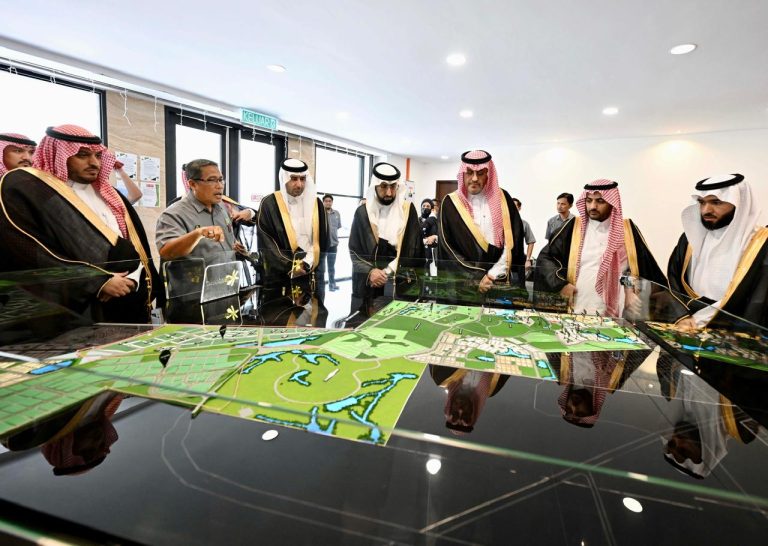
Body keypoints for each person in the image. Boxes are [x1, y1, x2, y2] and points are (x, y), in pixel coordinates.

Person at [0, 124, 160, 323]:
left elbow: (135, 244)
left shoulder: (111, 195)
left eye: (98, 156)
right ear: (59, 154)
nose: (94, 163)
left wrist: (134, 278)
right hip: (74, 307)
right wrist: (96, 282)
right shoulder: (38, 194)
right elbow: (31, 249)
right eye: (82, 155)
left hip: (128, 294)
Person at [535, 180, 666, 318]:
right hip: (579, 303)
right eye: (589, 201)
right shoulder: (574, 227)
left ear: (612, 202)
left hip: (616, 307)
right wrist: (561, 284)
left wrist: (629, 291)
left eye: (600, 201)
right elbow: (546, 258)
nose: (593, 206)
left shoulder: (626, 231)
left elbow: (629, 271)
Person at [667, 174, 767, 330]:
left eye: (716, 202)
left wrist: (699, 319)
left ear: (739, 203)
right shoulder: (690, 239)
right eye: (702, 202)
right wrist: (682, 315)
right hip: (686, 326)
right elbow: (673, 280)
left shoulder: (760, 244)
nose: (706, 210)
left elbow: (757, 297)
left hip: (733, 331)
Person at [438, 150, 525, 293]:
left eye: (480, 173)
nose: (474, 178)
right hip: (463, 283)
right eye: (469, 172)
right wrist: (476, 277)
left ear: (488, 174)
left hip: (498, 279)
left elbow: (513, 239)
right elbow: (447, 247)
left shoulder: (503, 198)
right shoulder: (450, 203)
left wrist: (493, 274)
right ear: (462, 174)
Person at [348, 162, 423, 314]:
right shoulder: (362, 212)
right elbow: (354, 251)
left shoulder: (408, 210)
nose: (389, 192)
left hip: (400, 280)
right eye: (383, 186)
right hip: (369, 284)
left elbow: (414, 247)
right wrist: (371, 272)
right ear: (375, 186)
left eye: (393, 186)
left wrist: (388, 271)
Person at [156, 159, 245, 266]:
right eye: (212, 180)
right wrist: (198, 234)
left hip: (229, 275)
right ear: (193, 184)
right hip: (195, 276)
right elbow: (166, 252)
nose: (220, 186)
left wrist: (234, 245)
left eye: (221, 180)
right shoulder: (173, 214)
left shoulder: (222, 207)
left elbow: (225, 240)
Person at [257, 158, 328, 290]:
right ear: (284, 178)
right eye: (294, 179)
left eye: (302, 179)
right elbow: (267, 243)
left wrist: (306, 263)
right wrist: (292, 266)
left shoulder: (317, 204)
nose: (299, 184)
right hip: (281, 277)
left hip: (311, 271)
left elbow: (321, 239)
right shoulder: (269, 204)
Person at [429, 365, 508, 435]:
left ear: (448, 410)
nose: (460, 410)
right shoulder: (493, 388)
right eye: (465, 415)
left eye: (455, 414)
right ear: (473, 412)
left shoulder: (440, 377)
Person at [511, 197, 536, 275]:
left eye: (515, 206)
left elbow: (531, 241)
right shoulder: (501, 223)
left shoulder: (524, 224)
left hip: (518, 260)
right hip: (503, 259)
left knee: (518, 281)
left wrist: (528, 260)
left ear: (519, 208)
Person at [322, 194, 342, 291]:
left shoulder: (337, 213)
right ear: (323, 202)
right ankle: (320, 287)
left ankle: (332, 284)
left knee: (331, 267)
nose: (328, 203)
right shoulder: (320, 214)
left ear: (332, 202)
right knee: (321, 268)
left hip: (333, 244)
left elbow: (338, 226)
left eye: (330, 201)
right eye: (326, 201)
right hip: (322, 245)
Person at [420, 198, 438, 269]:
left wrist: (435, 237)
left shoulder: (436, 221)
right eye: (423, 206)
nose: (425, 208)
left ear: (432, 209)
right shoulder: (418, 220)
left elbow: (439, 234)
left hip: (433, 255)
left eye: (428, 206)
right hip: (421, 254)